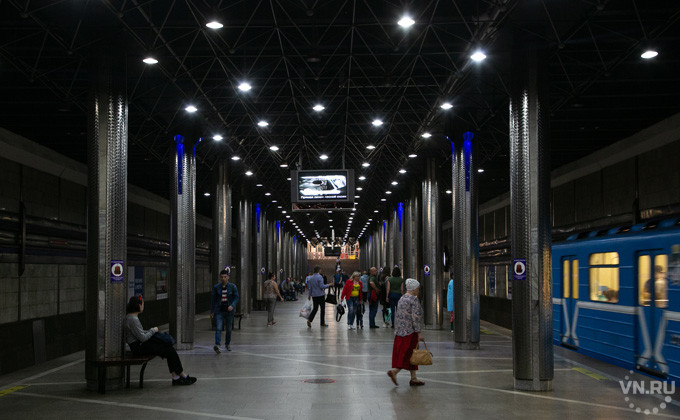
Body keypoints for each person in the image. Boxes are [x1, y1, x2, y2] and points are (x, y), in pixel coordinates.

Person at [125, 295, 197, 386]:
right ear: (138, 305)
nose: (143, 306)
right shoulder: (133, 319)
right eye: (142, 304)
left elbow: (139, 334)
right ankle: (181, 375)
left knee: (169, 349)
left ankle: (176, 377)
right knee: (169, 349)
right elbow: (142, 338)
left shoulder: (131, 317)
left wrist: (149, 331)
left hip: (139, 345)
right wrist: (153, 330)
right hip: (138, 348)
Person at [387, 278, 425, 387]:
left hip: (400, 332)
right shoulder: (413, 300)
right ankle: (394, 372)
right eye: (417, 288)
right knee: (409, 354)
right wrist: (419, 332)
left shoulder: (402, 298)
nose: (418, 290)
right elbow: (416, 318)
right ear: (414, 288)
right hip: (410, 332)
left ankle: (414, 378)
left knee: (410, 354)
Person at [210, 269, 239, 353]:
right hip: (219, 310)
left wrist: (232, 305)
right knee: (218, 328)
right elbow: (213, 300)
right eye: (222, 277)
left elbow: (236, 297)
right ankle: (217, 345)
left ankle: (227, 344)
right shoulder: (216, 287)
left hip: (229, 311)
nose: (223, 279)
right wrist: (212, 311)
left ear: (228, 277)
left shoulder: (233, 287)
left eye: (225, 277)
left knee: (228, 329)